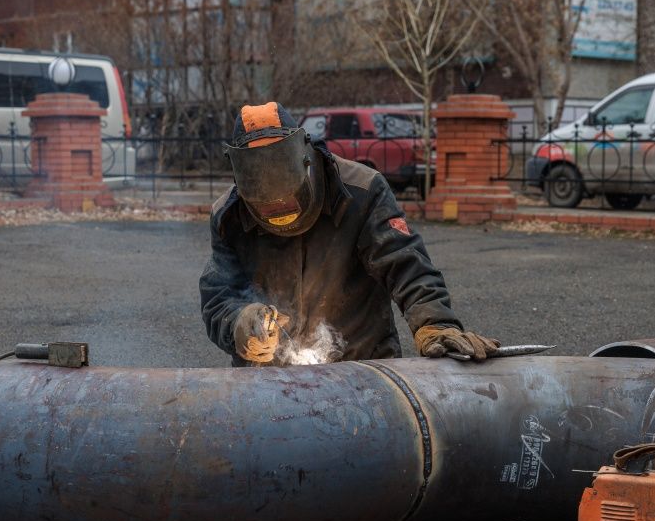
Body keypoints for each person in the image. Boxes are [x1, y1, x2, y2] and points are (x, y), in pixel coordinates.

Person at [199, 101, 499, 367]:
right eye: (266, 207)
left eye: (289, 200)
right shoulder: (229, 215)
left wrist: (434, 323)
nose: (280, 211)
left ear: (306, 159)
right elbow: (218, 296)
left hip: (361, 370)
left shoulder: (362, 192)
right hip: (270, 384)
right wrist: (240, 323)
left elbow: (405, 263)